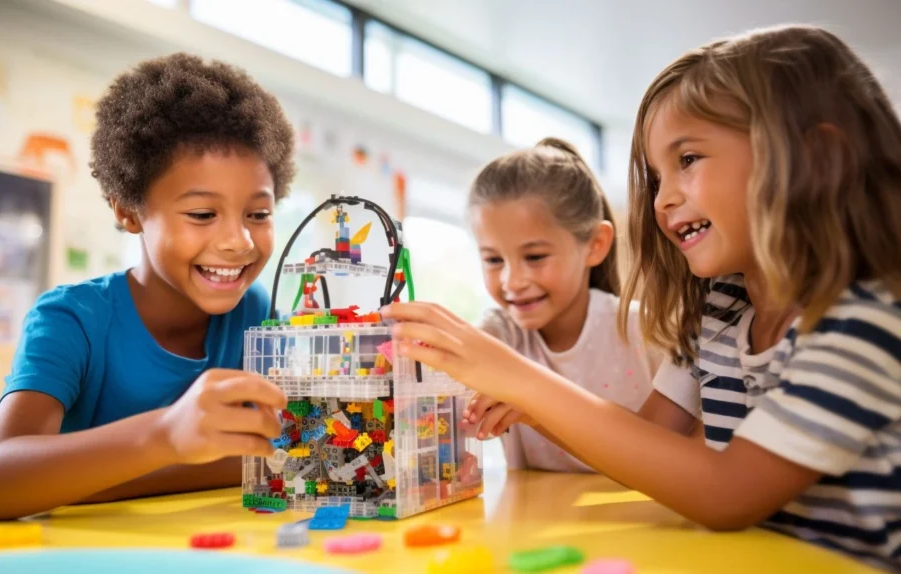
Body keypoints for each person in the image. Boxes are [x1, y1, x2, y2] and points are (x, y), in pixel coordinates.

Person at [384, 26, 901, 569]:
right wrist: (535, 409)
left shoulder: (865, 321)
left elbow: (727, 493)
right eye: (656, 175)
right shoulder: (723, 309)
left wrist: (519, 378)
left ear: (816, 155)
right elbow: (649, 441)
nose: (663, 198)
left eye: (689, 159)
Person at [0, 53, 295, 521]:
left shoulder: (255, 313)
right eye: (202, 214)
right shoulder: (71, 321)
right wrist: (165, 436)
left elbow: (284, 450)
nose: (238, 242)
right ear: (129, 211)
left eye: (258, 215)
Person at [461, 137, 668, 472]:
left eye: (535, 256)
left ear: (595, 245)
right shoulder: (499, 336)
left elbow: (675, 454)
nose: (512, 281)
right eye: (494, 259)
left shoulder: (646, 330)